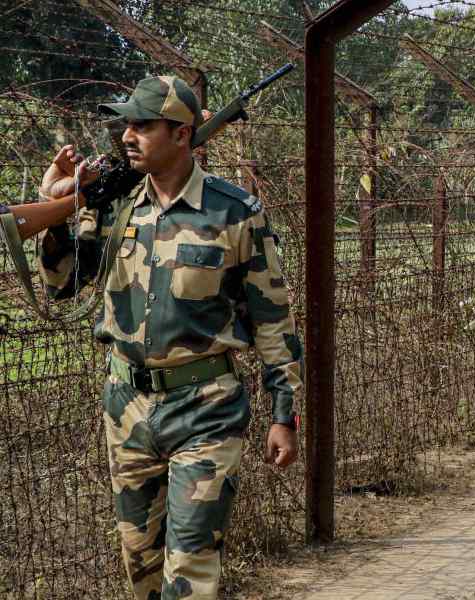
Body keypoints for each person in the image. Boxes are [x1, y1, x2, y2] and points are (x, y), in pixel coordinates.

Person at [36, 75, 303, 599]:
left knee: (191, 564)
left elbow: (273, 318)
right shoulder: (113, 206)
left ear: (182, 135)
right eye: (126, 125)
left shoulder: (234, 213)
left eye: (143, 125)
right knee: (141, 568)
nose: (127, 136)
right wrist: (58, 210)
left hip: (207, 409)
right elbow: (63, 284)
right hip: (127, 408)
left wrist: (283, 414)